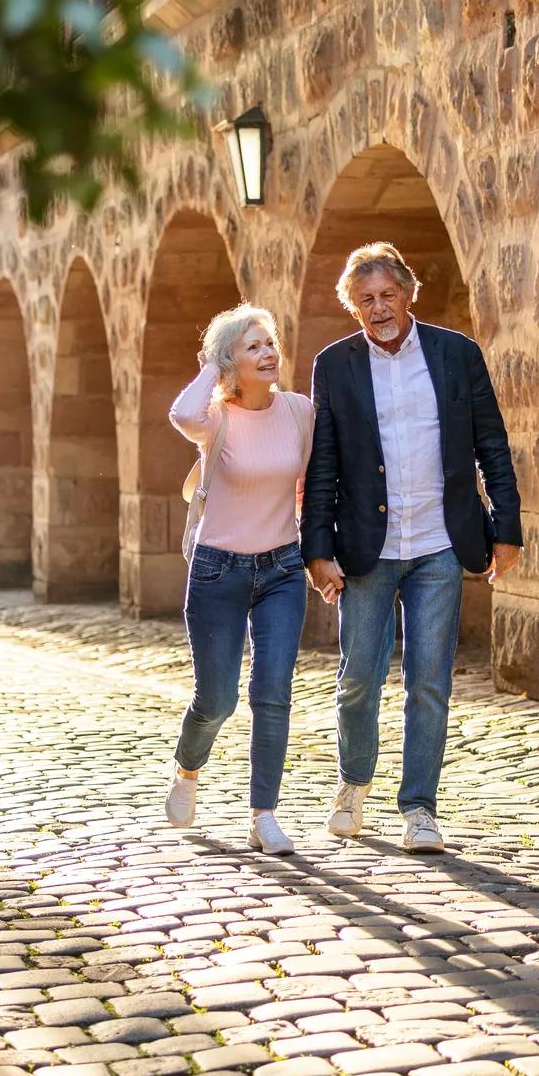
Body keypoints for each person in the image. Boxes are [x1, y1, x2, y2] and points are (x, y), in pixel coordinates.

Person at [303, 242, 521, 853]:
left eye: (387, 295)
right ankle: (352, 784)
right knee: (357, 679)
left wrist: (506, 530)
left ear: (408, 294)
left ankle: (419, 809)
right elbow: (323, 464)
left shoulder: (457, 355)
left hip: (439, 542)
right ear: (353, 307)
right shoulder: (334, 365)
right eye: (365, 299)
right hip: (366, 546)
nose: (379, 308)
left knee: (429, 681)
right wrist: (318, 549)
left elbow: (493, 446)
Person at [163, 304, 316, 855]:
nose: (268, 353)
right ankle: (187, 770)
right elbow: (181, 413)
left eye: (270, 343)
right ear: (232, 359)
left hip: (281, 568)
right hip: (217, 570)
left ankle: (263, 814)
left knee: (272, 694)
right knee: (217, 698)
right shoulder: (216, 418)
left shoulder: (299, 410)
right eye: (253, 347)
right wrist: (209, 365)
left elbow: (319, 476)